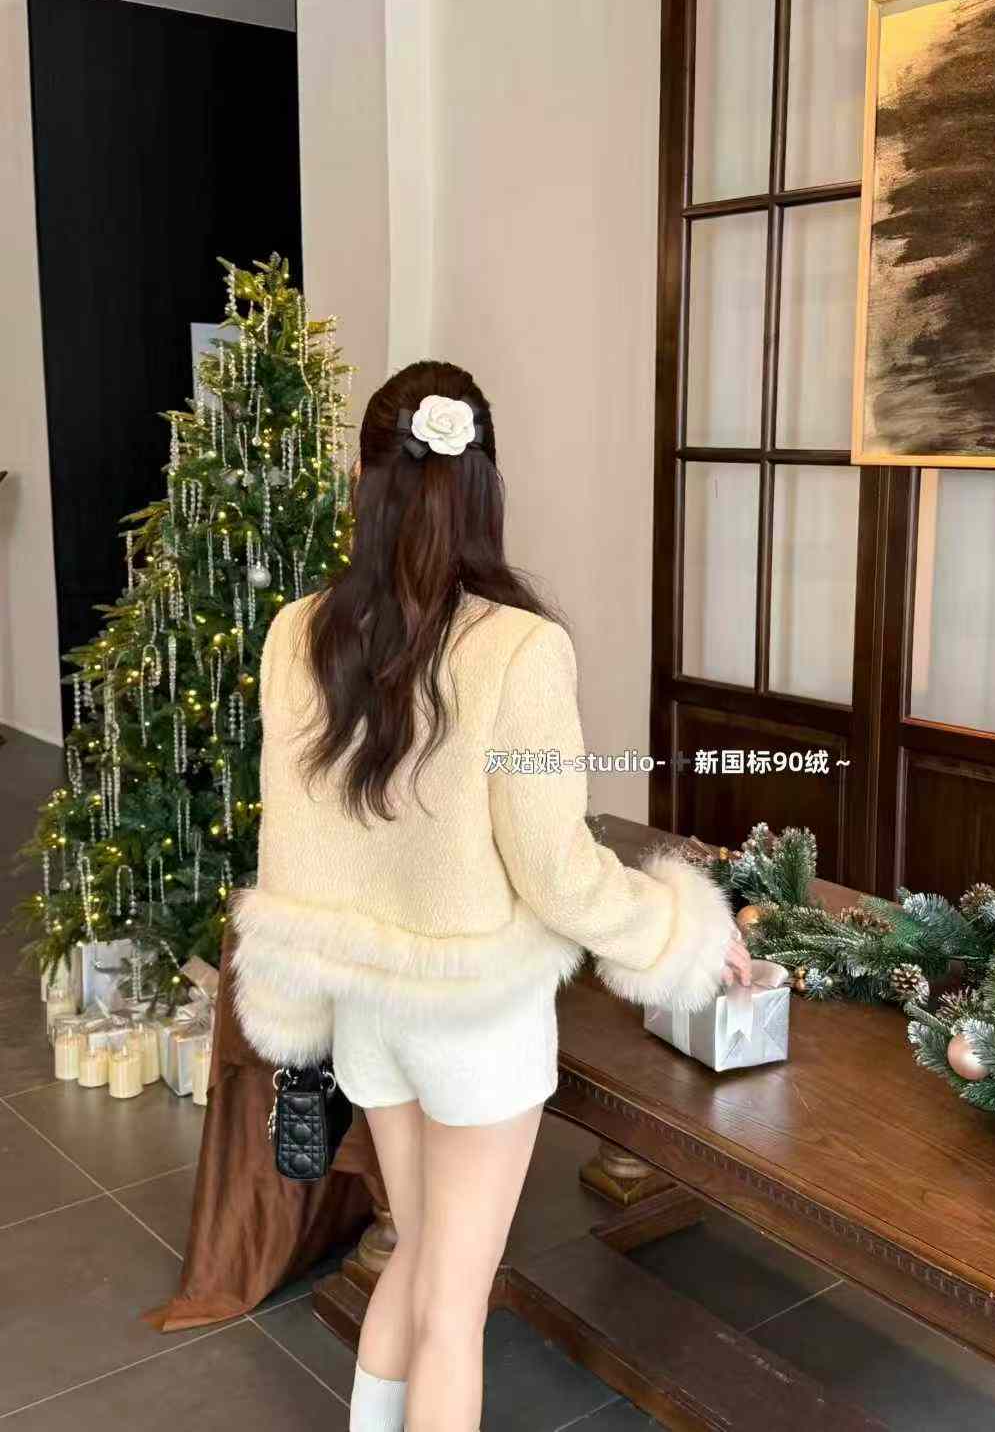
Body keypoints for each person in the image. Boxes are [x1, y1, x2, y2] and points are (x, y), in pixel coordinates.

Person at [230, 360, 750, 1432]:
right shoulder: (520, 650)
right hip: (476, 1022)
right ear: (485, 487)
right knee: (455, 1308)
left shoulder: (297, 633)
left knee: (417, 1258)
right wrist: (683, 935)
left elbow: (290, 840)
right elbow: (557, 870)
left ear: (364, 483)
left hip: (369, 1008)